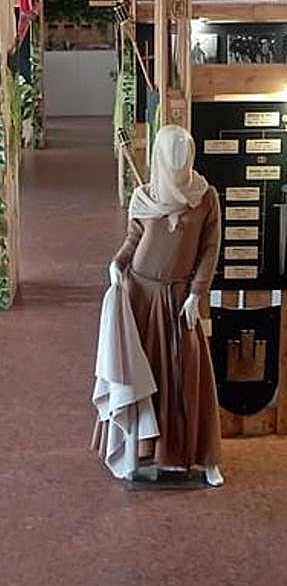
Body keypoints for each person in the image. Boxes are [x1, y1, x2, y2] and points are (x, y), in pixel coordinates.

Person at [98, 125, 224, 486]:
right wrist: (117, 263)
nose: (177, 159)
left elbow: (209, 249)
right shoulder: (144, 196)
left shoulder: (204, 197)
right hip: (141, 295)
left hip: (179, 298)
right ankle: (139, 452)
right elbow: (134, 238)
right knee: (142, 374)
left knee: (189, 372)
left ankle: (203, 456)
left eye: (184, 151)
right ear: (158, 155)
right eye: (171, 152)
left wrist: (197, 293)